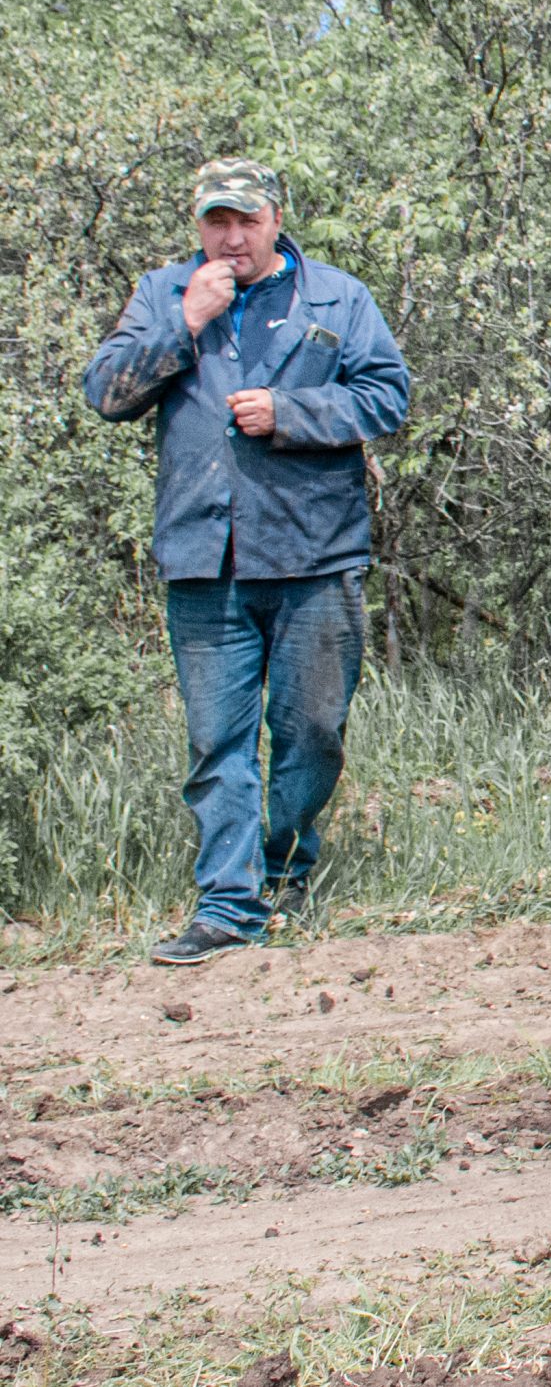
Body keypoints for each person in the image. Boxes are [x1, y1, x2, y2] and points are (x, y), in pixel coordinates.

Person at [83, 157, 412, 966]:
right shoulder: (166, 295)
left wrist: (293, 412)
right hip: (203, 557)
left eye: (246, 220)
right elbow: (105, 394)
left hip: (314, 555)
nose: (230, 237)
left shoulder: (336, 297)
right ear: (198, 225)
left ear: (276, 219)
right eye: (215, 221)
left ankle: (284, 876)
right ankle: (227, 905)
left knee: (312, 733)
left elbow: (388, 395)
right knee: (216, 743)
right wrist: (183, 324)